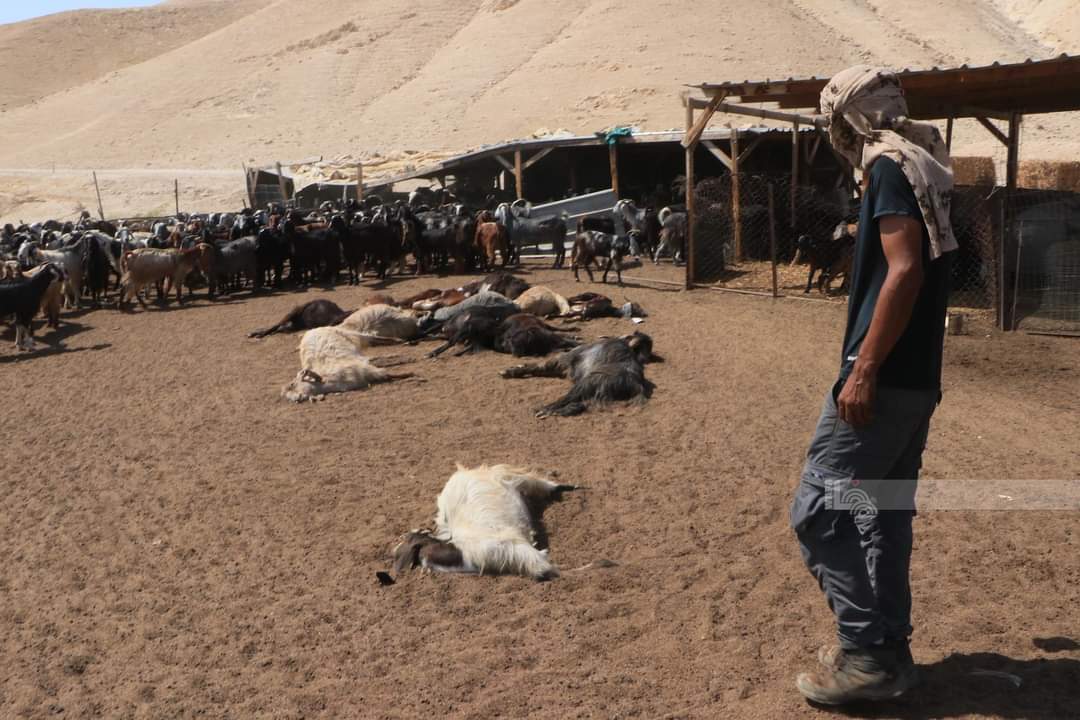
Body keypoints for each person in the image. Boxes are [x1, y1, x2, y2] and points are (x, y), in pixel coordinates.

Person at [790, 66, 957, 705]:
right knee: (879, 515)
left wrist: (863, 369)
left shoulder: (888, 166)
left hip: (883, 379)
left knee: (819, 510)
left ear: (847, 118)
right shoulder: (926, 162)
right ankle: (890, 650)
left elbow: (905, 270)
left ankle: (864, 656)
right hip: (917, 379)